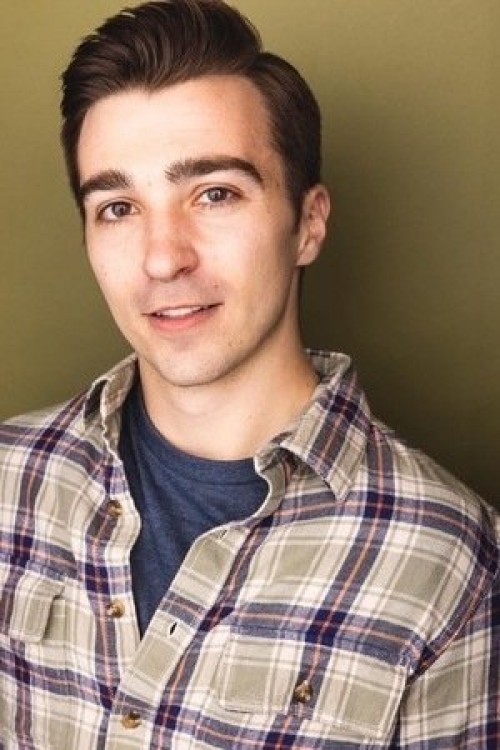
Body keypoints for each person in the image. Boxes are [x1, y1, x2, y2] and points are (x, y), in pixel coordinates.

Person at [0, 0, 498, 747]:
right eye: (119, 207)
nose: (163, 258)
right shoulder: (9, 482)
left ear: (308, 223)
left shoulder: (450, 560)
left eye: (215, 194)